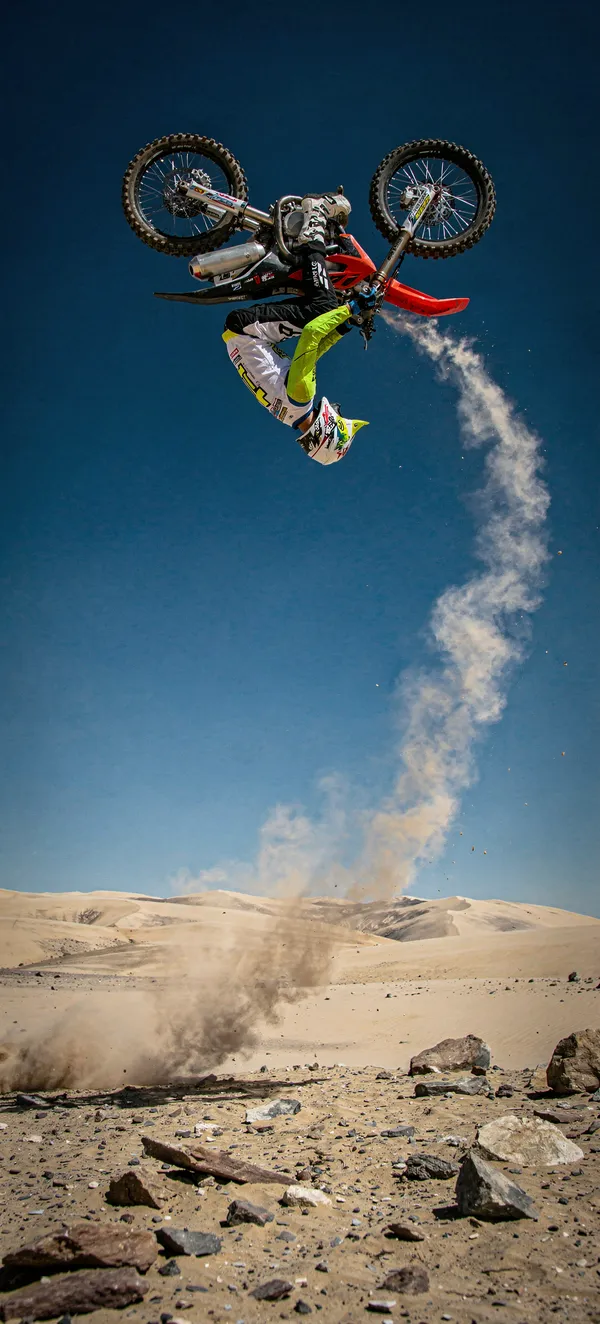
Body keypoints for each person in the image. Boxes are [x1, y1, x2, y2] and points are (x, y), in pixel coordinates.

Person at [222, 193, 374, 466]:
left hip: (247, 329)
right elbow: (311, 353)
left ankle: (314, 224)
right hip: (242, 334)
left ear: (329, 432)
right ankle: (279, 244)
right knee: (320, 306)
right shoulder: (289, 412)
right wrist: (342, 329)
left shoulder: (302, 397)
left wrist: (350, 309)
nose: (338, 412)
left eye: (339, 419)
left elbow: (312, 333)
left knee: (323, 308)